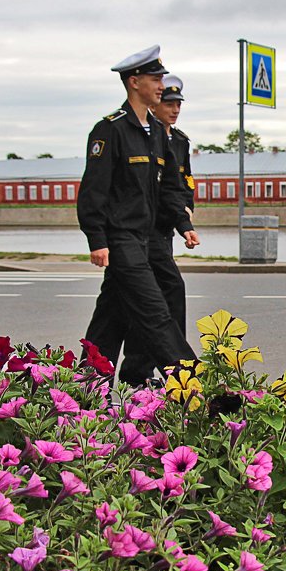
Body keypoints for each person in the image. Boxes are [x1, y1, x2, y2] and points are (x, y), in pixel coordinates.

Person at [77, 46, 196, 377]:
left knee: (111, 317)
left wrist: (183, 223)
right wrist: (97, 239)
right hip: (121, 238)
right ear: (134, 82)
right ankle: (189, 384)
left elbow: (170, 187)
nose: (161, 85)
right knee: (153, 309)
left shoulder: (157, 133)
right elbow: (93, 190)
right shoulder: (111, 130)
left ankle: (88, 387)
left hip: (150, 238)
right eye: (155, 79)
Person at [116, 74, 199, 385]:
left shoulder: (179, 141)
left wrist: (185, 218)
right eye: (169, 103)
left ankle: (135, 374)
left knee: (133, 305)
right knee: (160, 297)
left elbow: (182, 185)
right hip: (140, 233)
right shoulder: (143, 135)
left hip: (163, 233)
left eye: (178, 103)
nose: (175, 109)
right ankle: (167, 371)